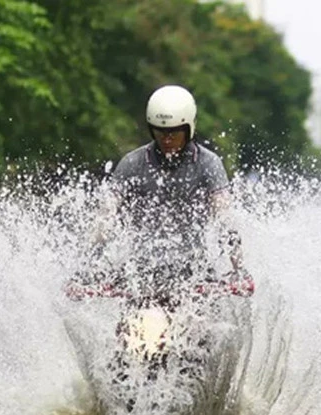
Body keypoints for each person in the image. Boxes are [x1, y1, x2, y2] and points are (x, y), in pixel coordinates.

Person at [70, 84, 253, 301]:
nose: (167, 139)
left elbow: (224, 218)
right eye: (160, 131)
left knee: (206, 330)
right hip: (140, 274)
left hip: (193, 274)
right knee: (127, 332)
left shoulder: (208, 164)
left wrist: (239, 268)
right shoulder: (131, 163)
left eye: (174, 133)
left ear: (188, 129)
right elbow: (105, 219)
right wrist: (84, 270)